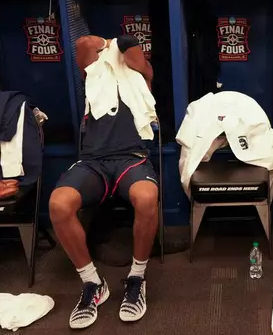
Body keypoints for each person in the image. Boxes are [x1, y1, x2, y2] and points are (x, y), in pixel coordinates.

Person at [49, 35, 159, 329]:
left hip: (131, 158)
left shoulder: (142, 73)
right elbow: (84, 45)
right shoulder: (94, 73)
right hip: (93, 161)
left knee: (147, 197)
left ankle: (136, 278)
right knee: (59, 204)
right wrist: (104, 44)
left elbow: (133, 51)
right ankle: (92, 283)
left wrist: (116, 43)